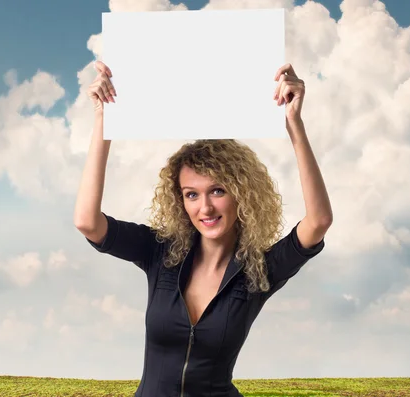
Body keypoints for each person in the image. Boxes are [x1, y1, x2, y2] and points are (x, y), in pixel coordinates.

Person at [74, 60, 333, 397]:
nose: (205, 207)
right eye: (191, 195)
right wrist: (104, 122)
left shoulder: (260, 271)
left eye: (218, 191)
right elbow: (87, 221)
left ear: (242, 193)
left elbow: (319, 221)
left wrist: (294, 125)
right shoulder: (159, 253)